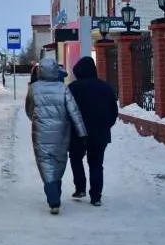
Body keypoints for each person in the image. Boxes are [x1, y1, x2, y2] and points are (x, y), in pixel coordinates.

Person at [25, 57, 87, 215]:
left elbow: (29, 109)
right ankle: (55, 192)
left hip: (40, 132)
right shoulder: (63, 88)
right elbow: (74, 112)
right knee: (59, 162)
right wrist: (82, 133)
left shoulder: (34, 88)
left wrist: (36, 118)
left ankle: (53, 197)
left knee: (44, 163)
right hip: (61, 133)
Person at [67, 56, 119, 207]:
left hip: (78, 134)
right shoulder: (106, 87)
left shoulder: (73, 88)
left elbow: (68, 111)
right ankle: (96, 196)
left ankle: (80, 187)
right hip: (100, 134)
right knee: (96, 164)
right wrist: (105, 126)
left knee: (76, 159)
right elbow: (113, 111)